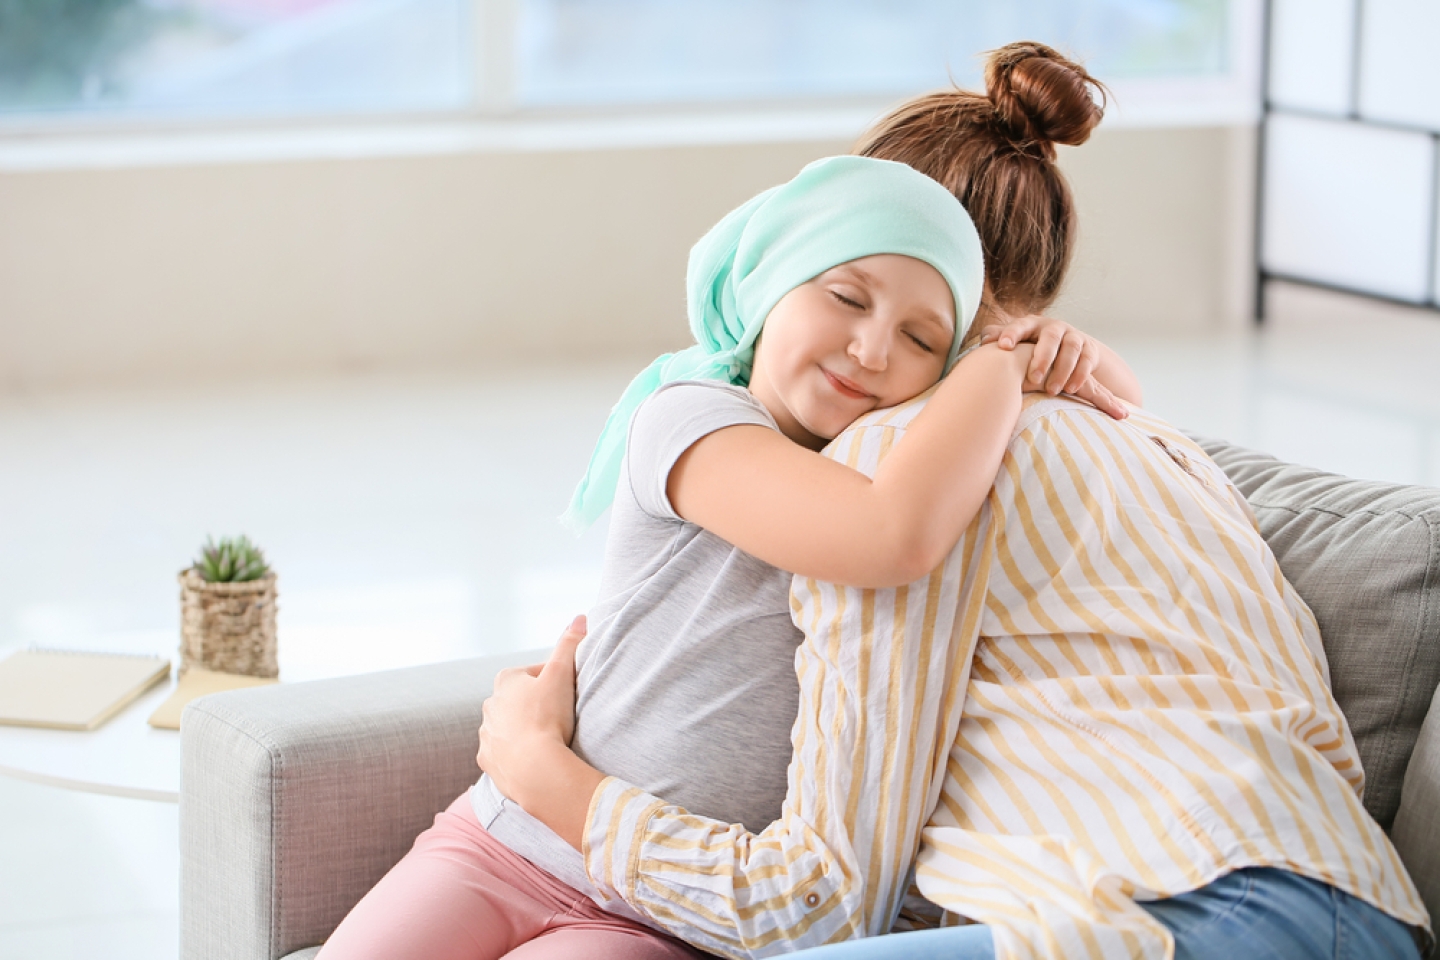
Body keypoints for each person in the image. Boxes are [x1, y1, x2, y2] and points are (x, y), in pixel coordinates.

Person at [477, 44, 1431, 960]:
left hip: (1165, 928)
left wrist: (551, 781)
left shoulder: (904, 471)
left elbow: (814, 904)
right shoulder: (1157, 444)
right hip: (1362, 910)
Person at [317, 142, 1136, 958]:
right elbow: (885, 535)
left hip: (665, 909)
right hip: (509, 841)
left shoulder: (907, 463)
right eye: (846, 297)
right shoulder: (690, 414)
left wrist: (1071, 359)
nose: (873, 350)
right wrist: (1000, 368)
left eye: (921, 341)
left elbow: (1114, 434)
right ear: (772, 281)